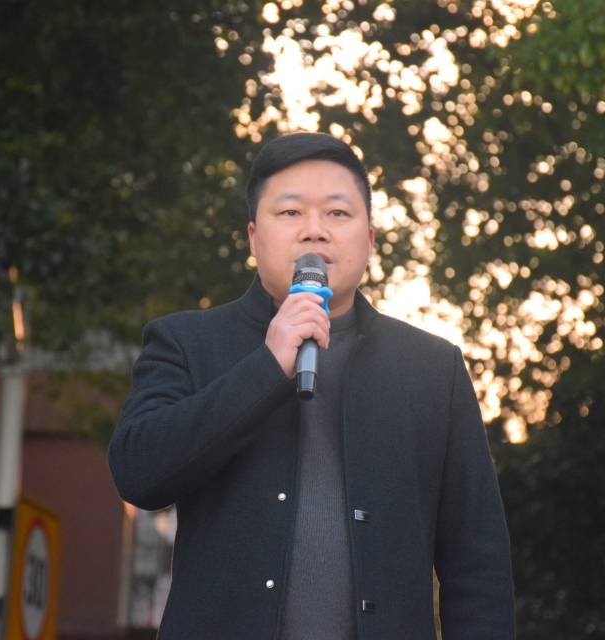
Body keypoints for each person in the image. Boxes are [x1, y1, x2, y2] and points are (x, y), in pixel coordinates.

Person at [108, 132, 514, 639]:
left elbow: (477, 562)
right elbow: (139, 473)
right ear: (253, 237)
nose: (315, 231)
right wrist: (266, 367)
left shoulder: (432, 368)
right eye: (291, 212)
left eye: (338, 213)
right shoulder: (187, 342)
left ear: (370, 240)